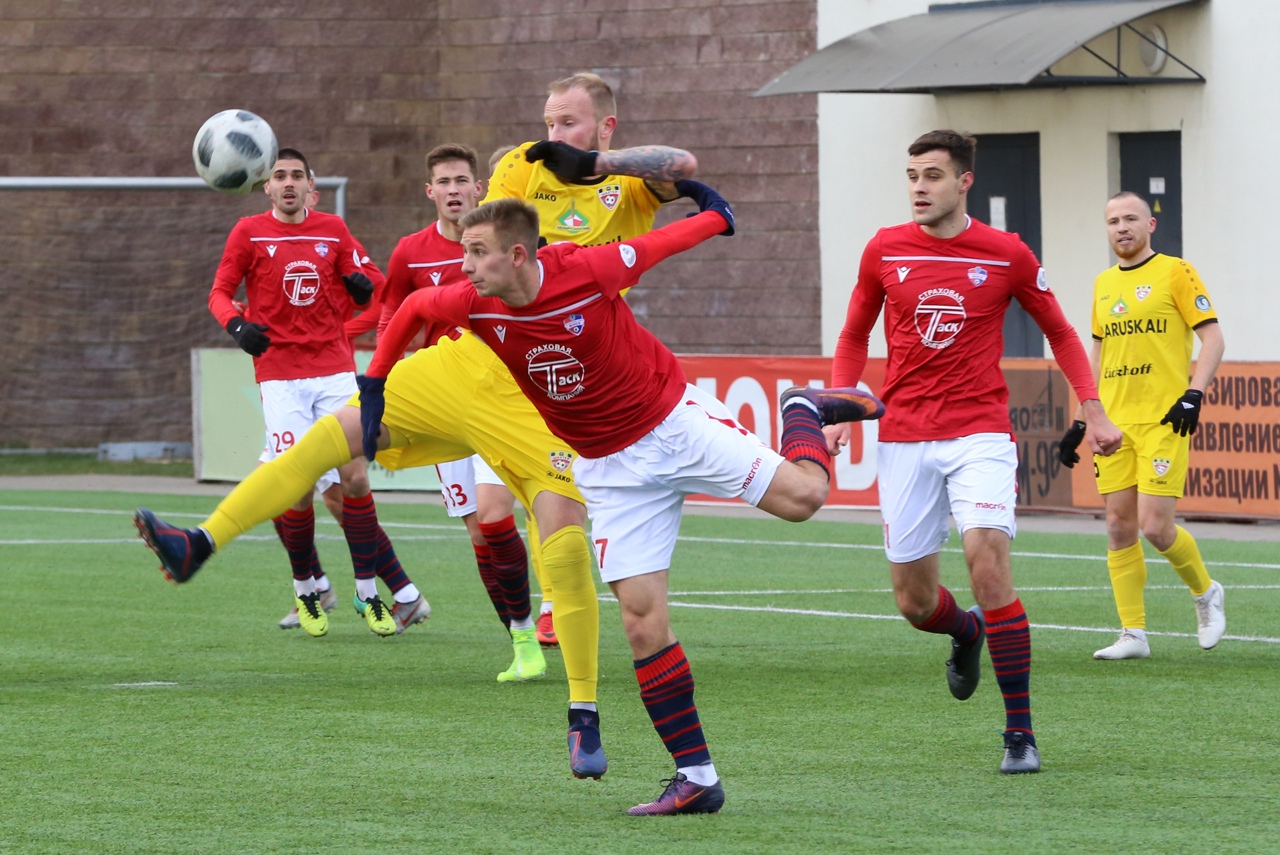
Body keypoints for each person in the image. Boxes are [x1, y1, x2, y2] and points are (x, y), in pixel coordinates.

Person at [361, 193, 882, 815]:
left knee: (805, 499)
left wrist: (716, 217)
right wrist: (373, 385)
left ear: (519, 255)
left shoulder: (588, 270)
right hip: (608, 470)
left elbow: (658, 246)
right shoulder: (472, 301)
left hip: (672, 424)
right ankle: (697, 778)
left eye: (477, 253)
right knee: (641, 621)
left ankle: (802, 408)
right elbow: (415, 307)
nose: (464, 265)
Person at [813, 130, 1124, 775]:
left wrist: (1092, 408)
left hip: (979, 432)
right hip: (902, 437)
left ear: (964, 182)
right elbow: (853, 332)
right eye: (912, 175)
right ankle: (966, 631)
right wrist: (841, 407)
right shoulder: (884, 248)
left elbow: (1062, 332)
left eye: (932, 175)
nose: (919, 187)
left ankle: (1020, 733)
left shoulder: (1005, 253)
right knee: (914, 602)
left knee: (988, 566)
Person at [482, 70, 698, 645]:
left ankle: (556, 601)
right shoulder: (525, 165)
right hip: (512, 348)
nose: (553, 132)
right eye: (549, 121)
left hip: (592, 355)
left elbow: (684, 166)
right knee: (504, 501)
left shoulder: (627, 183)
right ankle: (549, 601)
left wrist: (597, 165)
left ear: (605, 127)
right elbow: (483, 239)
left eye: (568, 122)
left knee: (561, 484)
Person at [201, 148, 429, 638]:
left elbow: (375, 281)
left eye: (296, 176)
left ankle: (367, 592)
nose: (287, 183)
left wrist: (361, 289)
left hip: (334, 373)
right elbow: (219, 292)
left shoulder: (333, 230)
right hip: (281, 376)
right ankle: (307, 585)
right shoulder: (248, 232)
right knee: (297, 486)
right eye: (279, 176)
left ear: (311, 187)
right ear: (266, 187)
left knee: (355, 481)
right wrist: (237, 326)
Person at [378, 142, 547, 682]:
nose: (454, 190)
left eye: (462, 181)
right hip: (444, 406)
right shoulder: (410, 253)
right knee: (479, 533)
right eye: (444, 182)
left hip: (502, 397)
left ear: (480, 188)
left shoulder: (504, 244)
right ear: (430, 191)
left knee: (501, 516)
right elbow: (392, 315)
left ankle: (539, 627)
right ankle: (519, 639)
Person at [1058, 191, 1227, 660]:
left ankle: (1205, 592)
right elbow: (1098, 354)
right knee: (1117, 527)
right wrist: (1080, 418)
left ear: (1150, 224)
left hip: (1163, 419)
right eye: (1112, 221)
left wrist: (1194, 393)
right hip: (1114, 422)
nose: (1121, 227)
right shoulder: (1103, 284)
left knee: (1155, 526)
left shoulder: (1175, 271)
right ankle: (1133, 634)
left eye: (1130, 218)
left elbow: (1212, 338)